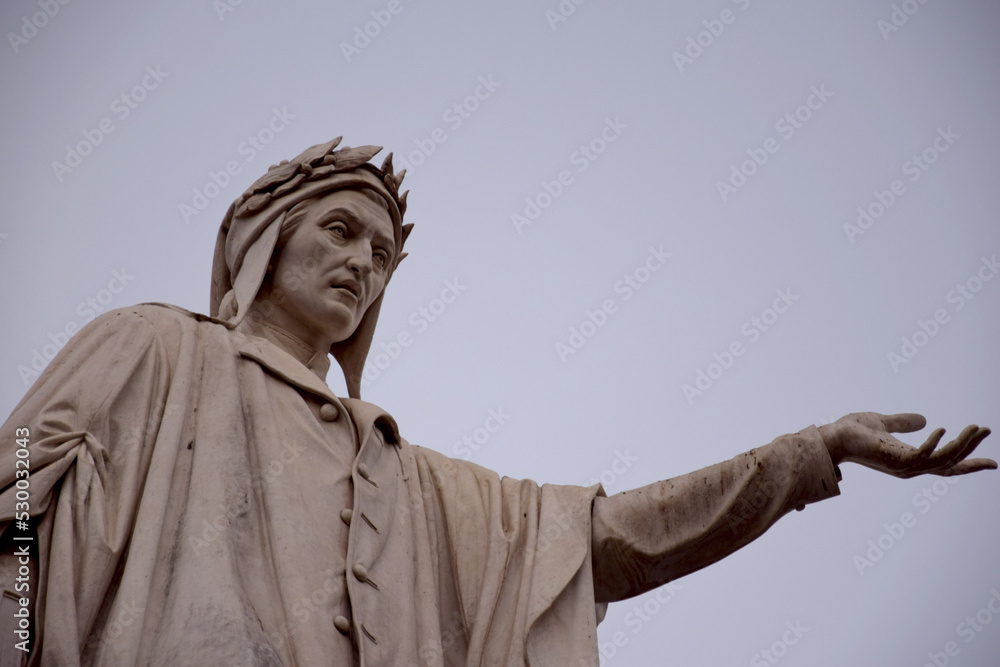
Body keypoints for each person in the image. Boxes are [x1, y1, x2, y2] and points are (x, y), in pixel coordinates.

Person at [0, 138, 993, 666]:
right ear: (258, 238)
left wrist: (807, 455)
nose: (360, 263)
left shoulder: (412, 483)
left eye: (380, 255)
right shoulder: (156, 350)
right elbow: (14, 503)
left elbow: (609, 537)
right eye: (340, 230)